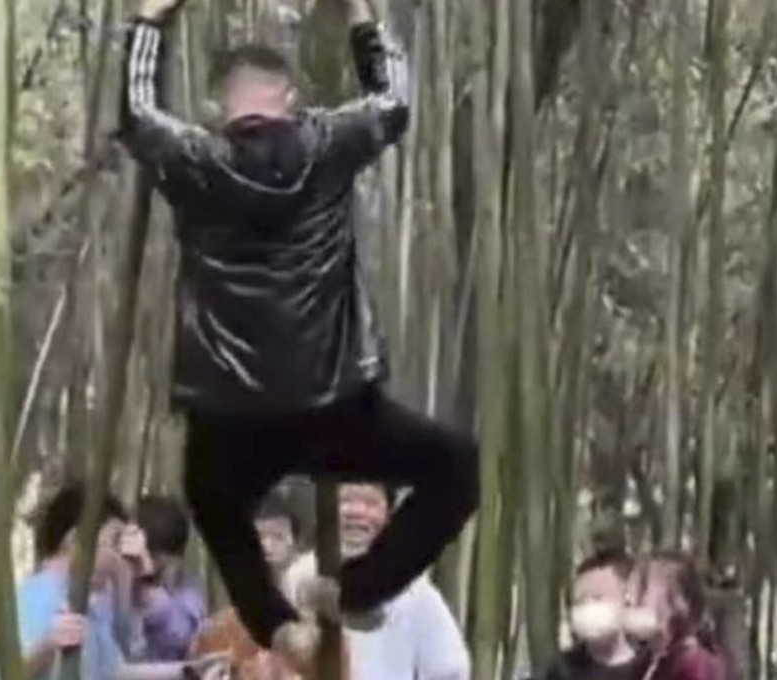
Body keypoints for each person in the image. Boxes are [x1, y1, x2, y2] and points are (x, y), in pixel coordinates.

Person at [118, 0, 480, 669]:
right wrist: (363, 16)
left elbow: (137, 116)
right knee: (455, 466)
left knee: (213, 504)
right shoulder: (327, 143)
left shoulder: (195, 159)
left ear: (225, 104)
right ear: (288, 97)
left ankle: (278, 625)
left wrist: (147, 22)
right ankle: (355, 592)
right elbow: (394, 100)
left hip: (232, 417)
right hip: (333, 403)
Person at [6, 483, 226, 680]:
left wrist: (189, 670)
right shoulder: (35, 598)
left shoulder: (93, 605)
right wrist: (46, 648)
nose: (120, 555)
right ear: (74, 541)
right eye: (114, 541)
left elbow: (115, 671)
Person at [284, 483, 471, 680]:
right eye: (347, 500)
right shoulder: (299, 575)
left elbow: (449, 669)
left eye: (371, 503)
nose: (357, 511)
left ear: (390, 516)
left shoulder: (413, 588)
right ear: (325, 508)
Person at [191, 490, 348, 680]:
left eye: (278, 536)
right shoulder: (219, 628)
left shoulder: (322, 631)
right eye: (257, 537)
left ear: (295, 543)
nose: (266, 546)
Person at [544, 549, 651, 680]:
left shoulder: (654, 665)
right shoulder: (562, 670)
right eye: (580, 601)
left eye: (598, 597)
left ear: (627, 598)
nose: (589, 607)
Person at [625, 552, 731, 680]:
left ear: (676, 602)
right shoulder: (648, 660)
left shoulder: (695, 664)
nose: (629, 599)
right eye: (628, 591)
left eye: (642, 589)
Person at [131, 494, 207, 662]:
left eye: (166, 560)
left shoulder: (188, 592)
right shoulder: (114, 582)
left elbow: (181, 635)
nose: (158, 565)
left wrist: (150, 583)